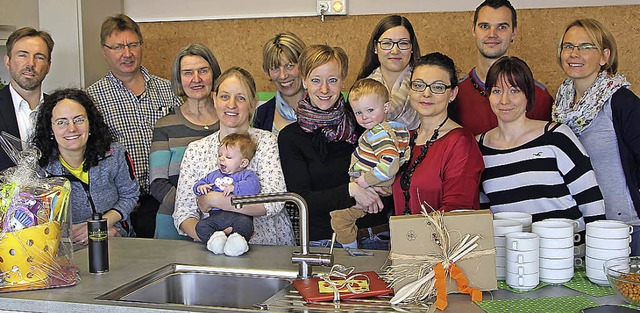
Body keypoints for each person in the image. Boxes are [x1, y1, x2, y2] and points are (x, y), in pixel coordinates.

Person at [477, 56, 605, 246]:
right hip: (512, 255)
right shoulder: (479, 147)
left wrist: (598, 249)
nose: (504, 100)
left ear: (528, 95)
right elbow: (483, 210)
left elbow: (591, 199)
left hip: (567, 252)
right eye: (497, 91)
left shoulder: (556, 136)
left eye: (514, 90)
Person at [279, 45, 392, 250]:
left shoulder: (364, 122)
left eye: (332, 80)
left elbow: (391, 167)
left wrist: (382, 189)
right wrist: (352, 191)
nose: (324, 89)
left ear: (343, 81)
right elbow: (301, 200)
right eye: (316, 80)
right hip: (324, 243)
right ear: (304, 81)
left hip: (376, 236)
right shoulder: (291, 137)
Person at [173, 67, 294, 246]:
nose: (231, 104)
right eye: (224, 96)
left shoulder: (267, 142)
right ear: (214, 99)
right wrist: (212, 238)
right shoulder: (196, 150)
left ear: (253, 103)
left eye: (240, 98)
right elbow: (184, 213)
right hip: (212, 251)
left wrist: (215, 200)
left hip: (267, 248)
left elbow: (273, 203)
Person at [86, 14, 182, 238]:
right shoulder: (92, 99)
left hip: (170, 200)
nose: (127, 54)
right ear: (104, 51)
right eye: (118, 46)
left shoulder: (169, 91)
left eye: (132, 45)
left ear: (141, 45)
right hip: (124, 208)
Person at [552, 18, 640, 254]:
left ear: (604, 56)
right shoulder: (560, 105)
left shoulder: (621, 101)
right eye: (568, 46)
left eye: (585, 47)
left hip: (626, 228)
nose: (574, 53)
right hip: (582, 227)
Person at [32, 88, 139, 244]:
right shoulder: (40, 166)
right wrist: (69, 234)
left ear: (90, 122)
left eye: (79, 119)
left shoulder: (114, 154)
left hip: (117, 237)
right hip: (66, 247)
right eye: (62, 122)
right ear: (50, 129)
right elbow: (36, 218)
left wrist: (100, 226)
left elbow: (130, 195)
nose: (72, 128)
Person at [392, 52, 484, 215]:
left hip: (444, 238)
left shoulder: (461, 142)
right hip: (404, 238)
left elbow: (457, 209)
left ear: (453, 94)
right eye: (419, 85)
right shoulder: (404, 139)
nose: (426, 93)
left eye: (438, 87)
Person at [149, 43, 221, 239]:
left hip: (226, 223)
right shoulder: (165, 125)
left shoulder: (230, 119)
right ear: (179, 79)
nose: (196, 79)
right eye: (188, 73)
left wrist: (221, 212)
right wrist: (195, 210)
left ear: (213, 74)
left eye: (203, 71)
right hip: (174, 226)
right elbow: (157, 183)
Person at [330, 78, 409, 248]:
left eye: (370, 110)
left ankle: (352, 255)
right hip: (375, 184)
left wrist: (366, 181)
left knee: (339, 220)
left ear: (386, 107)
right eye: (358, 113)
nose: (364, 117)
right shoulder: (392, 129)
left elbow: (390, 163)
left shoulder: (378, 134)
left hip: (373, 184)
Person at [454, 0, 553, 135]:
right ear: (473, 30)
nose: (492, 34)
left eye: (502, 27)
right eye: (484, 26)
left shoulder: (538, 95)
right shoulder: (455, 94)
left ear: (514, 32)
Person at [193, 133, 259, 256]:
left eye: (228, 157)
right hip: (216, 215)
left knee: (245, 225)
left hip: (239, 215)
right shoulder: (213, 175)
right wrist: (200, 187)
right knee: (201, 226)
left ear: (243, 163)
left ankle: (236, 242)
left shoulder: (246, 175)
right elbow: (198, 185)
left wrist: (235, 187)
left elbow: (253, 187)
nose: (221, 159)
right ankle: (215, 242)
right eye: (219, 155)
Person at [1, 27, 54, 171]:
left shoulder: (59, 109)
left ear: (48, 66)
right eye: (22, 55)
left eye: (39, 57)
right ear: (8, 62)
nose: (31, 63)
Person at [357, 15, 421, 130]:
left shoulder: (425, 89)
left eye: (403, 43)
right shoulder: (360, 90)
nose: (395, 51)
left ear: (412, 47)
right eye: (387, 43)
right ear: (375, 47)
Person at [253, 32, 306, 134]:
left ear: (304, 65)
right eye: (275, 68)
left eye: (289, 66)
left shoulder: (324, 107)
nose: (283, 75)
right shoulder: (261, 115)